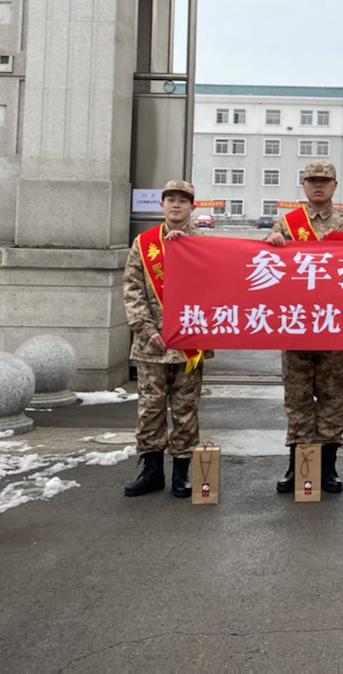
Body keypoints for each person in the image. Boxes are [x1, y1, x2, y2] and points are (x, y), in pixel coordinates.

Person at [263, 161, 343, 495]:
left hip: (335, 328)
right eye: (312, 181)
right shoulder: (287, 223)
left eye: (324, 181)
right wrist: (271, 244)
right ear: (304, 185)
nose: (318, 186)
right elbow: (265, 266)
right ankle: (298, 466)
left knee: (333, 399)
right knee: (297, 400)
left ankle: (328, 467)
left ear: (335, 185)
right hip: (296, 326)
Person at [122, 179, 212, 498]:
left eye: (183, 200)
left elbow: (214, 289)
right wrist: (147, 330)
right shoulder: (143, 243)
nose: (176, 205)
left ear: (193, 206)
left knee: (186, 410)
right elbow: (132, 289)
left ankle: (182, 473)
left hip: (188, 345)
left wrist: (184, 249)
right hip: (151, 345)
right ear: (161, 205)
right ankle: (151, 470)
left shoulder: (203, 244)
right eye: (170, 199)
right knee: (150, 408)